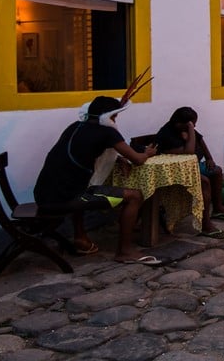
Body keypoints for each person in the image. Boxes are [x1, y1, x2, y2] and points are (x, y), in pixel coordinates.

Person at [33, 96, 156, 265]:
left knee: (80, 184)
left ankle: (80, 237)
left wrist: (119, 159)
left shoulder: (75, 126)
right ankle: (125, 251)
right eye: (114, 117)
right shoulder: (107, 132)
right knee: (135, 196)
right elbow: (137, 159)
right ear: (107, 117)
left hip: (44, 194)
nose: (115, 121)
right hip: (65, 199)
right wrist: (147, 153)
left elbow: (86, 149)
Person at [155, 107, 224, 240]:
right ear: (181, 123)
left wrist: (209, 158)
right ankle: (205, 225)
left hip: (193, 166)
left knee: (216, 171)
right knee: (204, 182)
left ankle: (218, 208)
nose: (195, 126)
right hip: (177, 171)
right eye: (192, 123)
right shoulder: (167, 134)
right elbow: (189, 151)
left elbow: (201, 141)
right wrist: (191, 130)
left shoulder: (184, 129)